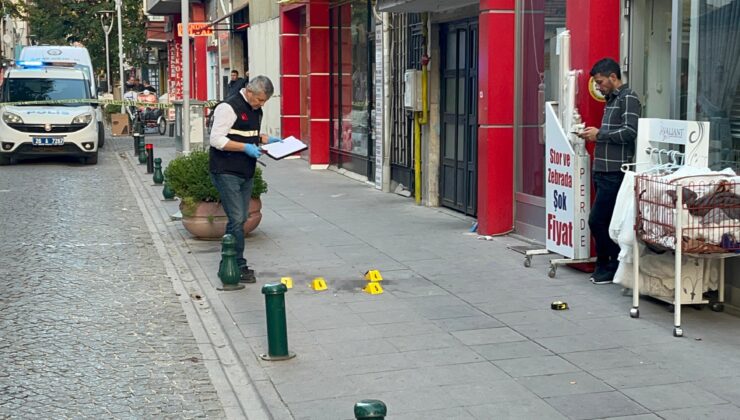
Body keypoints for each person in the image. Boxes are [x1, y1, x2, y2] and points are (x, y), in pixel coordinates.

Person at [209, 76, 281, 283]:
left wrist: (266, 140)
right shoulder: (228, 107)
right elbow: (216, 139)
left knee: (240, 219)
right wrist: (245, 148)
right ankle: (235, 264)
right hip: (226, 169)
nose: (261, 104)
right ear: (249, 91)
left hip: (245, 171)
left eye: (264, 101)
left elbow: (247, 134)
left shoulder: (256, 109)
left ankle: (231, 261)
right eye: (259, 99)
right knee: (238, 218)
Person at [579, 58, 641, 285]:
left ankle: (611, 263)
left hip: (615, 171)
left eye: (600, 82)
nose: (598, 86)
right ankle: (604, 265)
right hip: (602, 168)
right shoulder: (611, 99)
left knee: (597, 220)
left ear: (613, 77)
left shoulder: (628, 98)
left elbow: (630, 132)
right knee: (603, 220)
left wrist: (600, 134)